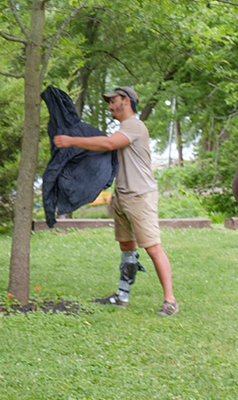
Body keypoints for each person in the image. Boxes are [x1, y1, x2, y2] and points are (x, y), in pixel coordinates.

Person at [53, 86, 178, 317]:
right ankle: (122, 295)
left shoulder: (134, 125)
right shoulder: (124, 127)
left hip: (141, 196)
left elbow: (108, 144)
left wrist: (71, 140)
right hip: (122, 195)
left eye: (113, 101)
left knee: (152, 248)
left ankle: (170, 300)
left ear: (127, 101)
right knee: (126, 247)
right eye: (108, 102)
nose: (110, 106)